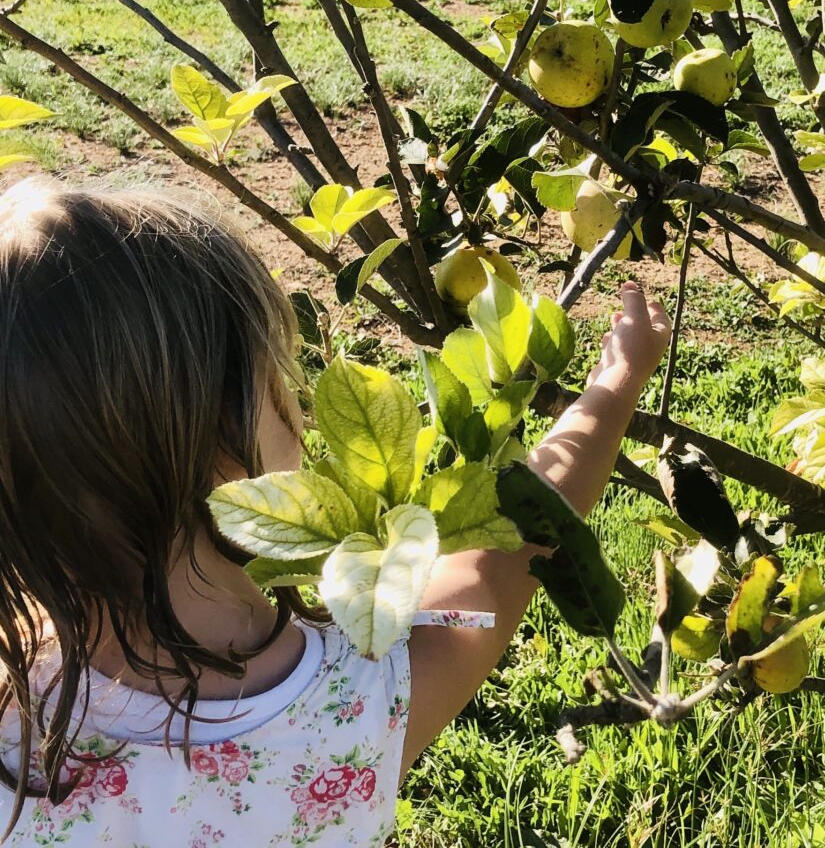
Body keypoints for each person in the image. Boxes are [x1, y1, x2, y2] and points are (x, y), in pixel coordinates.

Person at [0, 177, 671, 846]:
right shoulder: (359, 702)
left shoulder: (12, 718)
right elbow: (517, 542)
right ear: (227, 438)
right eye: (279, 373)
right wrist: (615, 386)